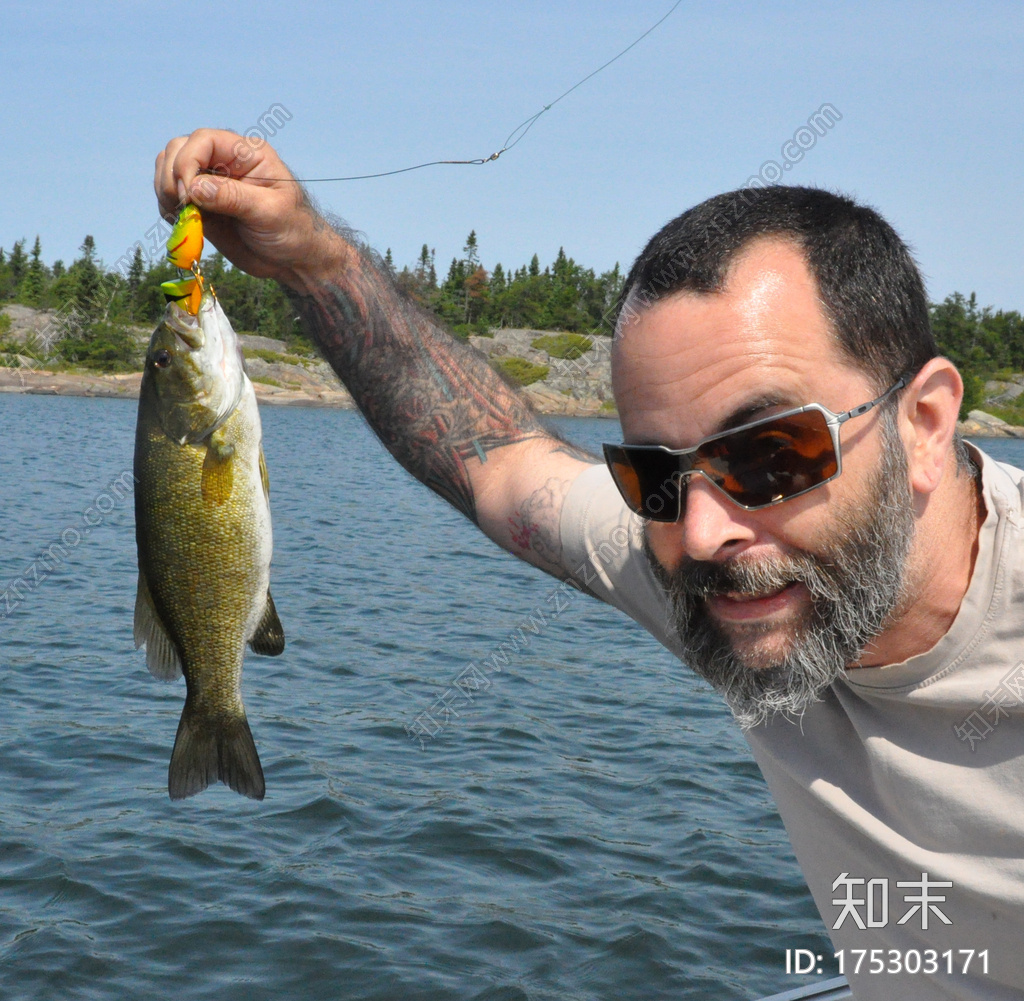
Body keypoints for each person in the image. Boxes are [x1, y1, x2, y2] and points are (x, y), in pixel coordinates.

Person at [156, 130, 1023, 1000]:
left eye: (770, 455)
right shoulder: (715, 572)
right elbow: (491, 456)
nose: (704, 530)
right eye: (651, 476)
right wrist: (310, 257)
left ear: (925, 423)